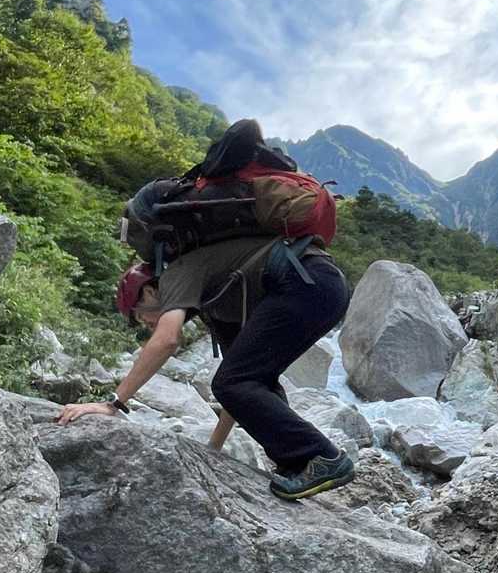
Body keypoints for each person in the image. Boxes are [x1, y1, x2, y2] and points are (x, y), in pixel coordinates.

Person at [55, 120, 356, 501]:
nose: (145, 323)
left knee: (235, 380)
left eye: (140, 313)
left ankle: (321, 457)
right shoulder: (217, 300)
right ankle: (297, 462)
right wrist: (213, 451)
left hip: (306, 282)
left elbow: (167, 341)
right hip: (319, 285)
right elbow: (238, 389)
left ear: (148, 289)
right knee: (250, 379)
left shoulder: (178, 273)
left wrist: (112, 404)